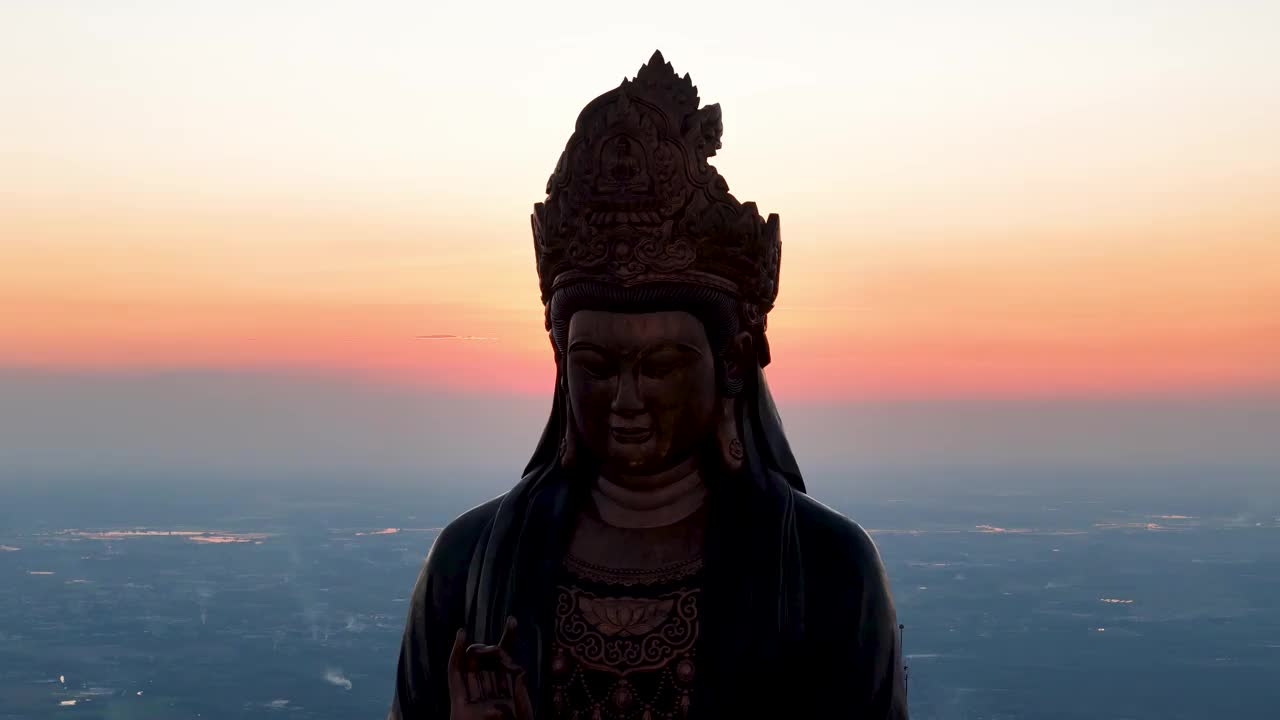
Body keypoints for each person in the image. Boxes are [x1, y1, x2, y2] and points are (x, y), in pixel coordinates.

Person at [389, 50, 908, 720]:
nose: (626, 400)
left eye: (659, 366)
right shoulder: (473, 563)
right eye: (597, 367)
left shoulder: (823, 569)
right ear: (560, 361)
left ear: (731, 363)